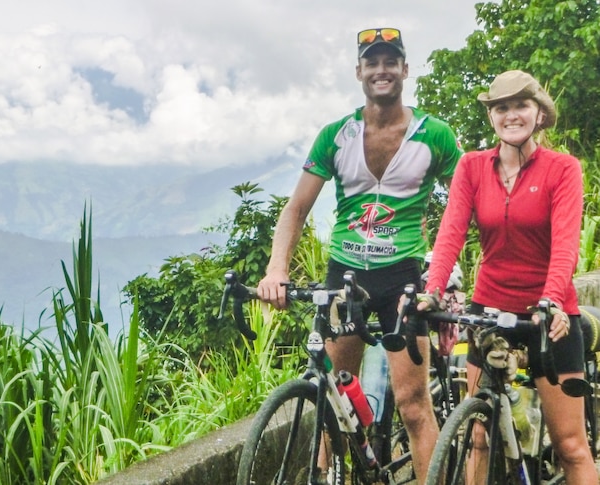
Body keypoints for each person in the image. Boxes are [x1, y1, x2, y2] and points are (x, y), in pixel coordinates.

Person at [256, 27, 462, 482]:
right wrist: (276, 269)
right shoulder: (336, 135)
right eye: (372, 63)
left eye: (391, 62)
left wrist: (451, 274)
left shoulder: (436, 135)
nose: (381, 70)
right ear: (359, 73)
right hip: (346, 273)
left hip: (403, 276)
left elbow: (464, 203)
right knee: (332, 393)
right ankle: (330, 476)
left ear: (405, 70)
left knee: (413, 405)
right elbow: (296, 209)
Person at [420, 70, 598, 482]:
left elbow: (566, 245)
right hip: (489, 311)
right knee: (479, 435)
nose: (511, 114)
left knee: (571, 446)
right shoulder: (472, 167)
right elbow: (449, 235)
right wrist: (432, 291)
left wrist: (552, 299)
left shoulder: (562, 169)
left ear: (539, 114)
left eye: (521, 105)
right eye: (502, 107)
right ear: (492, 117)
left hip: (548, 315)